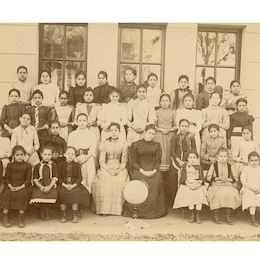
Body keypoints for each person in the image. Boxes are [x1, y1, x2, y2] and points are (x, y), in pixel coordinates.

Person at [123, 124, 167, 219]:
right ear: (144, 132)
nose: (151, 135)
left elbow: (157, 161)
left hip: (152, 169)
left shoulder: (157, 145)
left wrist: (154, 170)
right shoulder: (136, 144)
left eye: (153, 134)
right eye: (149, 133)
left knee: (156, 180)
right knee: (140, 180)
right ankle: (138, 210)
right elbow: (133, 161)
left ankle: (152, 210)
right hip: (139, 169)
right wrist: (143, 171)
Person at [92, 123, 129, 216]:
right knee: (105, 181)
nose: (113, 133)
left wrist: (119, 169)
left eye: (116, 130)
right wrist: (108, 170)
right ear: (108, 132)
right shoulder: (104, 144)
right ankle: (104, 209)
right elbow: (101, 161)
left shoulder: (123, 144)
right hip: (106, 166)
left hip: (119, 167)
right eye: (111, 130)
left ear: (119, 132)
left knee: (119, 180)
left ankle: (118, 210)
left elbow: (124, 161)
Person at [206, 148, 241, 225]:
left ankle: (227, 215)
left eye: (225, 156)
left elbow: (235, 178)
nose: (222, 158)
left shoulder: (230, 166)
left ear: (228, 157)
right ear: (217, 157)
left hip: (227, 185)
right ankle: (215, 215)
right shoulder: (213, 165)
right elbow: (208, 178)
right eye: (221, 156)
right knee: (216, 193)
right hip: (216, 184)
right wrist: (216, 178)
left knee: (231, 193)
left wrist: (229, 180)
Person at [173, 150, 208, 224]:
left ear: (197, 158)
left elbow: (201, 178)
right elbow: (182, 179)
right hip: (187, 184)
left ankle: (198, 215)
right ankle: (192, 214)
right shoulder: (185, 166)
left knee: (200, 195)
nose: (192, 159)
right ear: (187, 159)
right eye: (190, 157)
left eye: (194, 157)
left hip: (197, 184)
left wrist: (198, 184)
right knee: (190, 195)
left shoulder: (199, 167)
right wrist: (189, 184)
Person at [1, 146, 32, 228]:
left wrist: (20, 187)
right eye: (17, 155)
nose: (20, 156)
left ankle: (21, 218)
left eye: (22, 154)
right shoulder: (10, 165)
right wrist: (10, 186)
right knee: (7, 194)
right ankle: (5, 217)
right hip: (11, 185)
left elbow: (28, 179)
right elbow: (7, 178)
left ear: (25, 155)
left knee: (22, 194)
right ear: (13, 156)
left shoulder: (27, 165)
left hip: (22, 185)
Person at [58, 146, 90, 223]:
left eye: (72, 154)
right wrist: (64, 185)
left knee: (75, 193)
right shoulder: (61, 165)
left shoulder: (77, 165)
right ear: (64, 154)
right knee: (62, 193)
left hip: (74, 184)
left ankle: (74, 214)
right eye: (68, 153)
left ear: (75, 155)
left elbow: (79, 178)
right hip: (64, 184)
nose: (70, 155)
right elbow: (59, 178)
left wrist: (73, 185)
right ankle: (63, 214)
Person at [168, 119, 196, 205]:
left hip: (189, 161)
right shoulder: (175, 137)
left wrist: (190, 161)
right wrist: (179, 161)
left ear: (188, 127)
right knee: (175, 178)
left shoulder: (191, 137)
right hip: (177, 162)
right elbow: (172, 151)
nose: (184, 128)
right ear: (179, 127)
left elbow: (194, 150)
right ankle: (176, 201)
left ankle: (187, 201)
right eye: (182, 126)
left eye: (186, 126)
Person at [68, 113, 96, 194]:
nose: (82, 122)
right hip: (75, 158)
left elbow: (92, 149)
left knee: (89, 179)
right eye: (80, 120)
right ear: (76, 122)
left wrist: (85, 159)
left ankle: (87, 199)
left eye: (84, 120)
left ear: (87, 122)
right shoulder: (72, 134)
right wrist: (75, 159)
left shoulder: (91, 134)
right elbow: (70, 148)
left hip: (87, 158)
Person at [74, 88, 102, 167]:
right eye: (86, 95)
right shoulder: (79, 106)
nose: (88, 97)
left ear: (93, 97)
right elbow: (75, 120)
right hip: (82, 129)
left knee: (94, 148)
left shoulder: (97, 106)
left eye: (90, 95)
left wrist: (95, 123)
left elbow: (100, 120)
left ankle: (94, 166)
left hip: (94, 129)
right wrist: (83, 123)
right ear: (83, 97)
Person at [29, 146, 58, 221]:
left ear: (52, 155)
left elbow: (55, 177)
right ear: (41, 154)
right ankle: (42, 209)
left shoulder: (54, 165)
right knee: (37, 194)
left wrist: (49, 187)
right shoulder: (37, 166)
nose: (47, 157)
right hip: (40, 185)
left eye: (49, 154)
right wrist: (40, 186)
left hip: (50, 184)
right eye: (45, 154)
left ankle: (47, 211)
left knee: (51, 193)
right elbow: (35, 179)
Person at [154, 94, 176, 172]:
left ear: (170, 102)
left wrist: (169, 130)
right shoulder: (156, 112)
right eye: (163, 101)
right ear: (160, 102)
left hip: (170, 135)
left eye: (166, 101)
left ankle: (169, 174)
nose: (164, 103)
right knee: (161, 152)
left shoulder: (173, 112)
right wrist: (161, 129)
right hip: (159, 135)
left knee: (169, 152)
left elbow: (176, 125)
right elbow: (154, 125)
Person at [240, 152, 260, 227]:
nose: (254, 163)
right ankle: (253, 218)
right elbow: (243, 180)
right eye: (252, 161)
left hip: (258, 186)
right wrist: (251, 188)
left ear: (259, 161)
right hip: (248, 187)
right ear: (248, 161)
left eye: (256, 160)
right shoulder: (246, 168)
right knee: (251, 196)